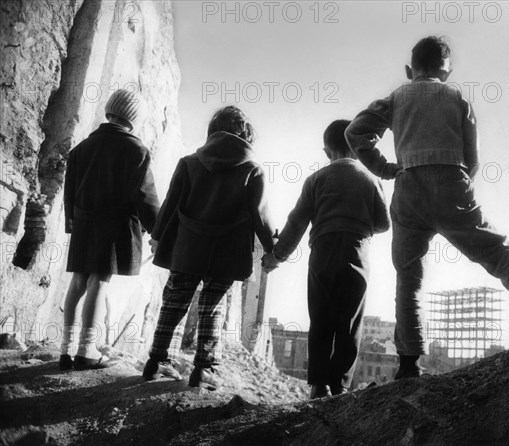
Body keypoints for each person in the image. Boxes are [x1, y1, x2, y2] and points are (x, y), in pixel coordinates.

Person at [344, 36, 509, 379]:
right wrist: (459, 185)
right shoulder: (458, 98)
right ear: (447, 72)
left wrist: (387, 168)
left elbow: (356, 133)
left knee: (409, 277)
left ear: (408, 70)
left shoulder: (396, 98)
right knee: (497, 253)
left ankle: (408, 364)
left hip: (409, 186)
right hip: (452, 183)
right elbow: (472, 157)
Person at [143, 106, 276, 388]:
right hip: (227, 251)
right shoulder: (252, 170)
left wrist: (157, 236)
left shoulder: (188, 162)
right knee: (212, 307)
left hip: (186, 247)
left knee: (174, 302)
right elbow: (260, 216)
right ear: (245, 135)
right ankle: (204, 369)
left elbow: (170, 205)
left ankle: (156, 361)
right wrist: (272, 249)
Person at [263, 120, 390, 398]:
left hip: (322, 252)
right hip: (357, 254)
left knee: (320, 317)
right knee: (351, 320)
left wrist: (277, 256)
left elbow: (296, 222)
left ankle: (318, 385)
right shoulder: (371, 180)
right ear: (357, 149)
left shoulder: (316, 179)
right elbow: (384, 223)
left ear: (326, 151)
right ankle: (340, 384)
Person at [61, 89, 159, 371]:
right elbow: (146, 198)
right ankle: (87, 350)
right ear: (133, 119)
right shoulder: (136, 150)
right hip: (113, 227)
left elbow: (70, 191)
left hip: (83, 222)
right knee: (99, 282)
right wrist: (158, 231)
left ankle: (66, 350)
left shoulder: (81, 148)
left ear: (110, 111)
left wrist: (72, 221)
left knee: (78, 281)